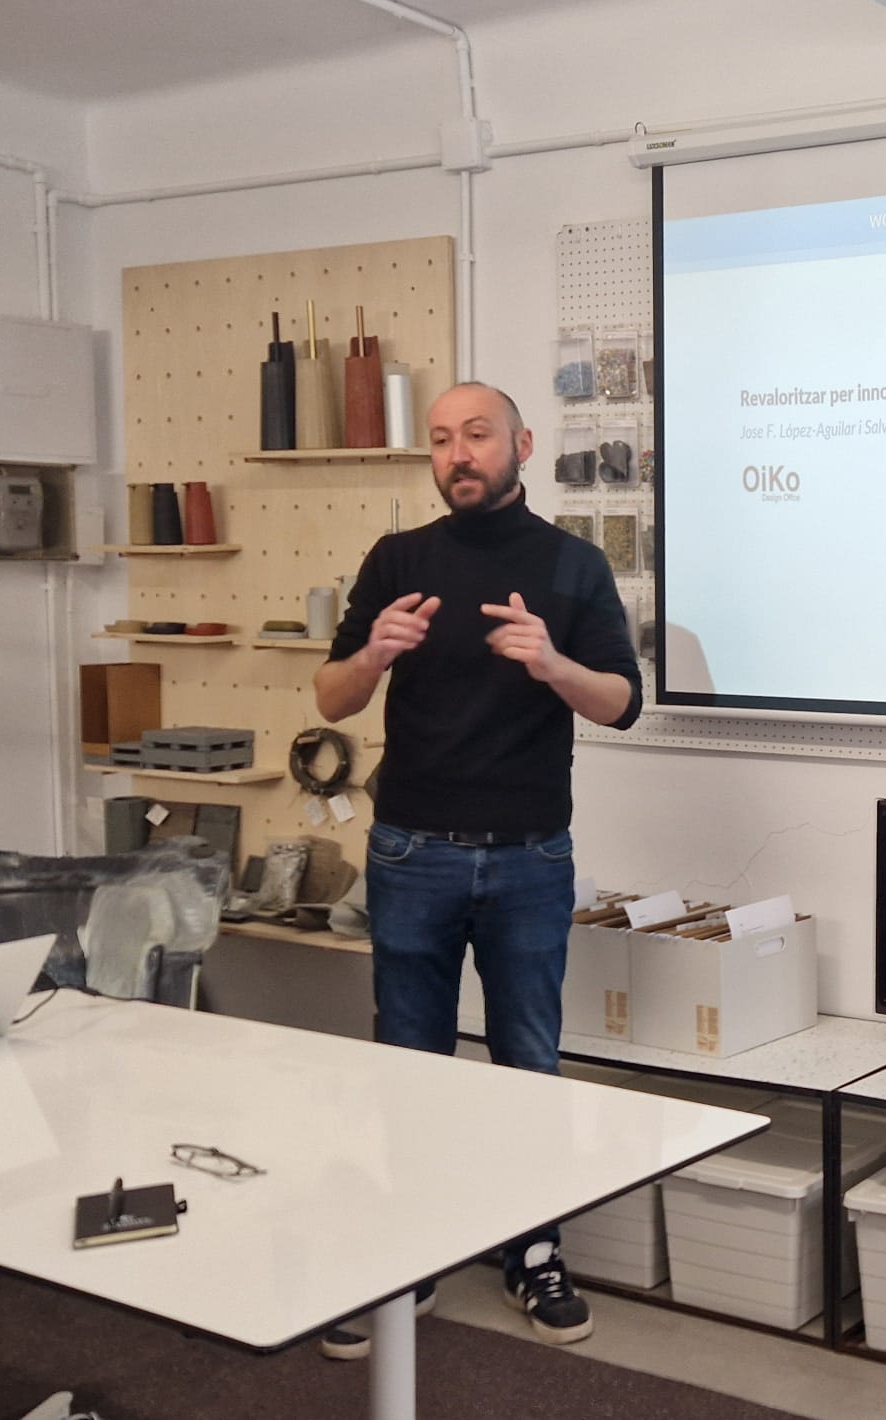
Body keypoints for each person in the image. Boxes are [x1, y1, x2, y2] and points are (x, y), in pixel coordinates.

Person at [311, 381, 641, 1357]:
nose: (459, 454)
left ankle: (531, 1250)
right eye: (443, 439)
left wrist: (551, 664)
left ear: (523, 445)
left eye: (478, 435)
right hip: (411, 850)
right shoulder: (398, 560)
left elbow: (622, 702)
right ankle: (409, 1255)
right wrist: (373, 654)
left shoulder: (573, 564)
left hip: (530, 856)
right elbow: (330, 699)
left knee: (527, 1063)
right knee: (409, 1060)